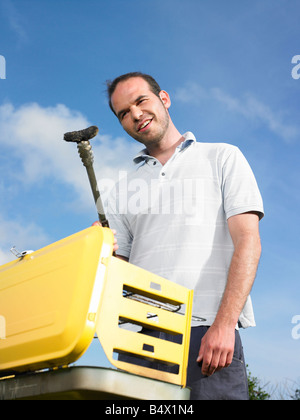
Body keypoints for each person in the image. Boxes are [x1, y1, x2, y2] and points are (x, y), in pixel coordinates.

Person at [96, 72, 264, 400]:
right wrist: (98, 250)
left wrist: (225, 324)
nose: (135, 115)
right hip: (140, 341)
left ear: (164, 99)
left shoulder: (223, 157)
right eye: (123, 113)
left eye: (140, 101)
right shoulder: (120, 190)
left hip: (207, 334)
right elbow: (118, 269)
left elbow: (248, 242)